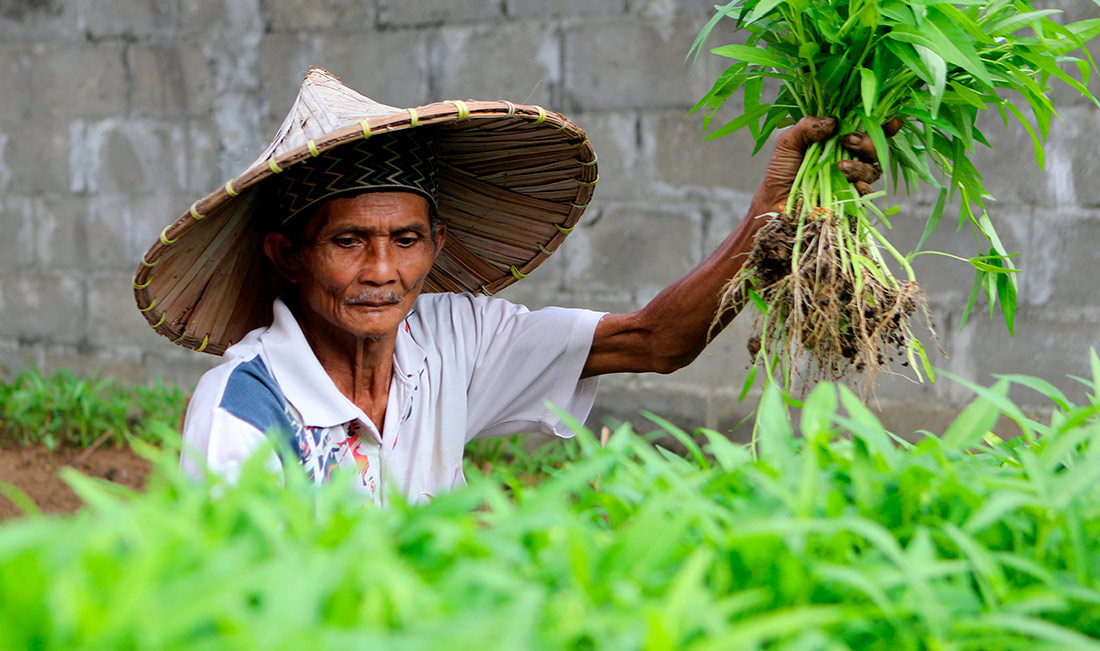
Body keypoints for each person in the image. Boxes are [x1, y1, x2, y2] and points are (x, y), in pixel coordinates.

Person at [132, 68, 884, 506]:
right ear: (287, 254)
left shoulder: (449, 340)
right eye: (347, 242)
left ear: (437, 247)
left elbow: (654, 342)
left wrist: (771, 222)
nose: (382, 272)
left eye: (405, 240)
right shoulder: (245, 410)